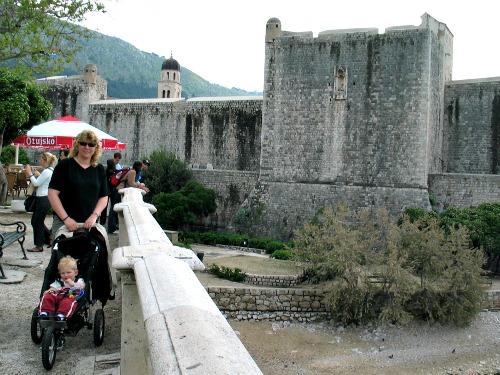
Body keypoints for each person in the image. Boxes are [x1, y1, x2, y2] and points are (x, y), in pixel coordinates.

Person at [48, 130, 110, 236]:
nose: (87, 147)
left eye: (91, 145)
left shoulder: (99, 169)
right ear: (77, 145)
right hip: (64, 223)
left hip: (90, 223)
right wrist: (66, 219)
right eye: (83, 143)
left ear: (96, 148)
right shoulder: (64, 166)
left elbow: (104, 196)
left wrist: (94, 216)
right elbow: (52, 193)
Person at [26, 152, 57, 252]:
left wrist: (29, 173)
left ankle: (39, 245)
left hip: (42, 198)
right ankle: (49, 237)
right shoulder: (50, 171)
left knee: (37, 222)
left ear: (45, 160)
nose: (39, 161)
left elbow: (36, 183)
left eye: (41, 160)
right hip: (45, 198)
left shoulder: (47, 172)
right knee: (36, 221)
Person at [39, 256, 85, 320]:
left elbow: (82, 286)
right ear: (60, 274)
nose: (65, 275)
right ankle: (45, 312)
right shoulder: (59, 281)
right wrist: (50, 291)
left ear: (76, 273)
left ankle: (62, 315)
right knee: (47, 296)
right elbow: (53, 288)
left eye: (68, 272)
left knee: (67, 302)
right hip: (58, 297)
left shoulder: (78, 280)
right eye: (63, 273)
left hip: (70, 297)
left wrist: (72, 284)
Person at [106, 158, 120, 234]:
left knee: (112, 207)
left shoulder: (107, 171)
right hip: (113, 191)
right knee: (113, 208)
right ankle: (112, 227)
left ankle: (113, 225)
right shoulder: (112, 172)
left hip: (109, 191)